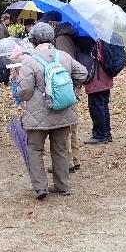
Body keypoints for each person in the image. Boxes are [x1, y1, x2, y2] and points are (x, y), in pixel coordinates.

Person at [17, 23, 87, 200]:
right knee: (61, 149)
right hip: (63, 110)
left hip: (37, 114)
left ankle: (41, 187)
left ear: (34, 41)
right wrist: (69, 86)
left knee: (34, 149)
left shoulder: (29, 61)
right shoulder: (63, 56)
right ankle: (62, 185)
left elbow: (24, 91)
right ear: (52, 38)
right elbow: (83, 74)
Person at [40, 11, 82, 172]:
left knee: (66, 127)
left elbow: (66, 65)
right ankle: (74, 160)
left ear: (52, 24)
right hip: (69, 86)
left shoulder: (62, 39)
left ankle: (68, 162)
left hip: (64, 87)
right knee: (71, 125)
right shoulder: (66, 36)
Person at [83, 39, 114, 145]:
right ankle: (106, 133)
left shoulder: (95, 41)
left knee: (96, 107)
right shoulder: (107, 39)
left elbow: (95, 58)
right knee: (104, 106)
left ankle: (100, 135)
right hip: (106, 77)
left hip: (97, 79)